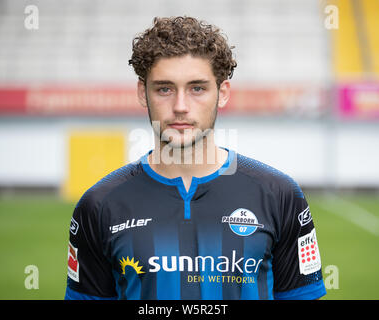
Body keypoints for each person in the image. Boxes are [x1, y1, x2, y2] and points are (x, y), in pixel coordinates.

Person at [64, 16, 326, 300]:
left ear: (222, 93)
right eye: (164, 89)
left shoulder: (280, 196)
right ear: (143, 93)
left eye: (197, 88)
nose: (180, 106)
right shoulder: (99, 205)